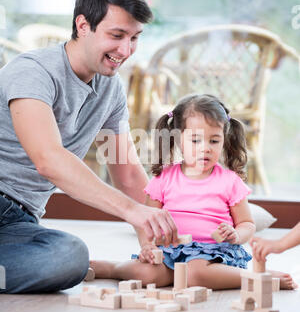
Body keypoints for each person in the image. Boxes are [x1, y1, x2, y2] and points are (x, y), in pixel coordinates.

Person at [0, 0, 178, 294]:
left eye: (135, 37)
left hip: (17, 222)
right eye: (117, 35)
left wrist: (152, 242)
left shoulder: (110, 89)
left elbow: (128, 175)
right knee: (69, 257)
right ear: (83, 25)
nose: (126, 50)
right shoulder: (33, 72)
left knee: (67, 256)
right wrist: (131, 211)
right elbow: (48, 159)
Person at [91, 94, 295, 290]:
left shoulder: (230, 181)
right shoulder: (163, 178)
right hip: (170, 251)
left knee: (194, 274)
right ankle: (112, 268)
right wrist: (147, 246)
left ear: (224, 140)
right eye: (196, 140)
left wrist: (235, 234)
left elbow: (247, 224)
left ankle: (257, 277)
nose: (205, 148)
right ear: (179, 140)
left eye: (214, 141)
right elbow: (147, 221)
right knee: (148, 275)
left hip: (213, 255)